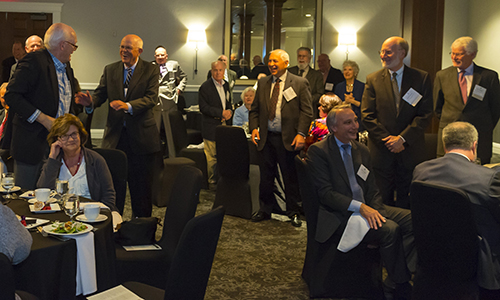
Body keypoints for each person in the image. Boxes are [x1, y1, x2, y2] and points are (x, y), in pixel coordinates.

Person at [307, 105, 415, 299]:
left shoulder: (362, 150)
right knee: (390, 230)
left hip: (367, 207)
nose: (355, 126)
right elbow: (327, 195)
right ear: (333, 128)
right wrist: (362, 208)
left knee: (412, 220)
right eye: (348, 122)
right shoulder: (319, 151)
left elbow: (372, 189)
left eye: (355, 121)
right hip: (340, 213)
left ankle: (394, 275)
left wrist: (377, 211)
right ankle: (400, 284)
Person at [77, 34, 160, 217]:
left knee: (141, 191)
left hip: (142, 140)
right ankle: (115, 227)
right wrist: (90, 102)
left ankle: (141, 231)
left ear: (139, 51)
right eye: (122, 47)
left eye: (128, 48)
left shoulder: (150, 70)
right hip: (115, 139)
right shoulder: (110, 69)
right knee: (114, 190)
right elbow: (100, 95)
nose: (124, 51)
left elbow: (150, 98)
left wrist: (128, 106)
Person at [413, 121, 500, 292]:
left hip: (432, 255)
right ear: (474, 145)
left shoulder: (421, 171)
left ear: (444, 145)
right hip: (479, 262)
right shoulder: (488, 180)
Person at [4, 23, 84, 190]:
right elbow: (12, 95)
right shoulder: (33, 60)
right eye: (73, 45)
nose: (74, 50)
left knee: (51, 198)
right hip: (31, 145)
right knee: (26, 198)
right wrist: (43, 119)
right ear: (63, 45)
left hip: (57, 145)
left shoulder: (66, 66)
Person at [361, 36, 433, 208]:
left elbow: (426, 114)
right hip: (381, 151)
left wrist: (402, 139)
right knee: (381, 200)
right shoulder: (373, 79)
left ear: (402, 53)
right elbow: (367, 115)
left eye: (388, 52)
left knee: (407, 201)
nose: (383, 55)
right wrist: (389, 140)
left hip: (410, 150)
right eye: (382, 52)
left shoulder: (420, 78)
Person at [249, 49, 313, 227]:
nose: (271, 64)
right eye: (269, 61)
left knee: (290, 177)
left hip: (289, 139)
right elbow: (254, 110)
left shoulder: (299, 83)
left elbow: (307, 111)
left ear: (286, 63)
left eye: (275, 61)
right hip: (266, 138)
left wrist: (301, 134)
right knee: (266, 177)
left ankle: (293, 212)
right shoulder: (262, 83)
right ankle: (265, 209)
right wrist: (254, 128)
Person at [37, 114, 122, 224]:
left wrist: (96, 215)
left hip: (92, 216)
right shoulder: (53, 161)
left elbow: (109, 196)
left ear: (80, 136)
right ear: (57, 139)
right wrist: (52, 158)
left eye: (73, 134)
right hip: (61, 217)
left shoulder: (96, 160)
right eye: (65, 136)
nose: (71, 139)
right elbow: (43, 191)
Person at [434, 36, 500, 164]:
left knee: (479, 177)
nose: (454, 57)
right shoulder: (442, 76)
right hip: (450, 138)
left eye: (459, 54)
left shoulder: (488, 77)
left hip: (480, 138)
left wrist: (484, 125)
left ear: (473, 54)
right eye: (452, 53)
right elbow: (437, 108)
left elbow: (496, 108)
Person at [199, 60, 232, 184]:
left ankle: (222, 182)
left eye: (220, 70)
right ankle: (212, 183)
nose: (218, 73)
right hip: (211, 127)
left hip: (224, 126)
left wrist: (229, 111)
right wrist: (220, 113)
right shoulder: (205, 87)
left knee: (223, 155)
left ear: (224, 71)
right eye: (215, 70)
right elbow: (203, 108)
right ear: (211, 71)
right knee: (211, 157)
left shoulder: (226, 85)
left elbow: (228, 103)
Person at [152, 45, 187, 157]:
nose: (160, 57)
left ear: (166, 56)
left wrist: (179, 89)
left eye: (162, 55)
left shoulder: (174, 65)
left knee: (171, 133)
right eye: (158, 55)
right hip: (156, 104)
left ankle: (172, 158)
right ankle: (154, 158)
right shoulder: (150, 67)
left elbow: (184, 77)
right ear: (155, 57)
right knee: (154, 133)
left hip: (170, 102)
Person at [288, 47, 324, 119]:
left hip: (309, 111)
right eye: (299, 56)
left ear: (309, 58)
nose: (301, 58)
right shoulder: (289, 72)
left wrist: (306, 100)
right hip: (291, 111)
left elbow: (319, 93)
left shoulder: (316, 75)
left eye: (304, 56)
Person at [334, 60, 365, 131]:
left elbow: (365, 105)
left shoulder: (362, 86)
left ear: (355, 72)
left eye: (350, 70)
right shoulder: (339, 86)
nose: (347, 72)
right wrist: (345, 102)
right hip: (342, 120)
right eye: (345, 70)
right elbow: (335, 106)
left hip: (358, 121)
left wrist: (352, 101)